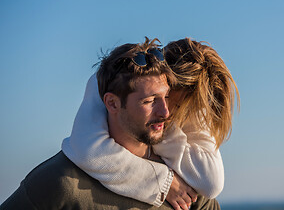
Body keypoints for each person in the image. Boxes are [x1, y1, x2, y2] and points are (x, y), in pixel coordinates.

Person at [1, 38, 220, 210]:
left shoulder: (188, 193)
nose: (166, 112)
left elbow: (213, 183)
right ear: (112, 103)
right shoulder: (59, 184)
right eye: (149, 101)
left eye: (166, 98)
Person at [60, 38, 240, 210]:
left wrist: (162, 138)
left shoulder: (195, 96)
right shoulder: (115, 77)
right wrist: (162, 183)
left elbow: (211, 183)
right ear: (167, 82)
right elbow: (89, 149)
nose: (167, 113)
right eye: (176, 104)